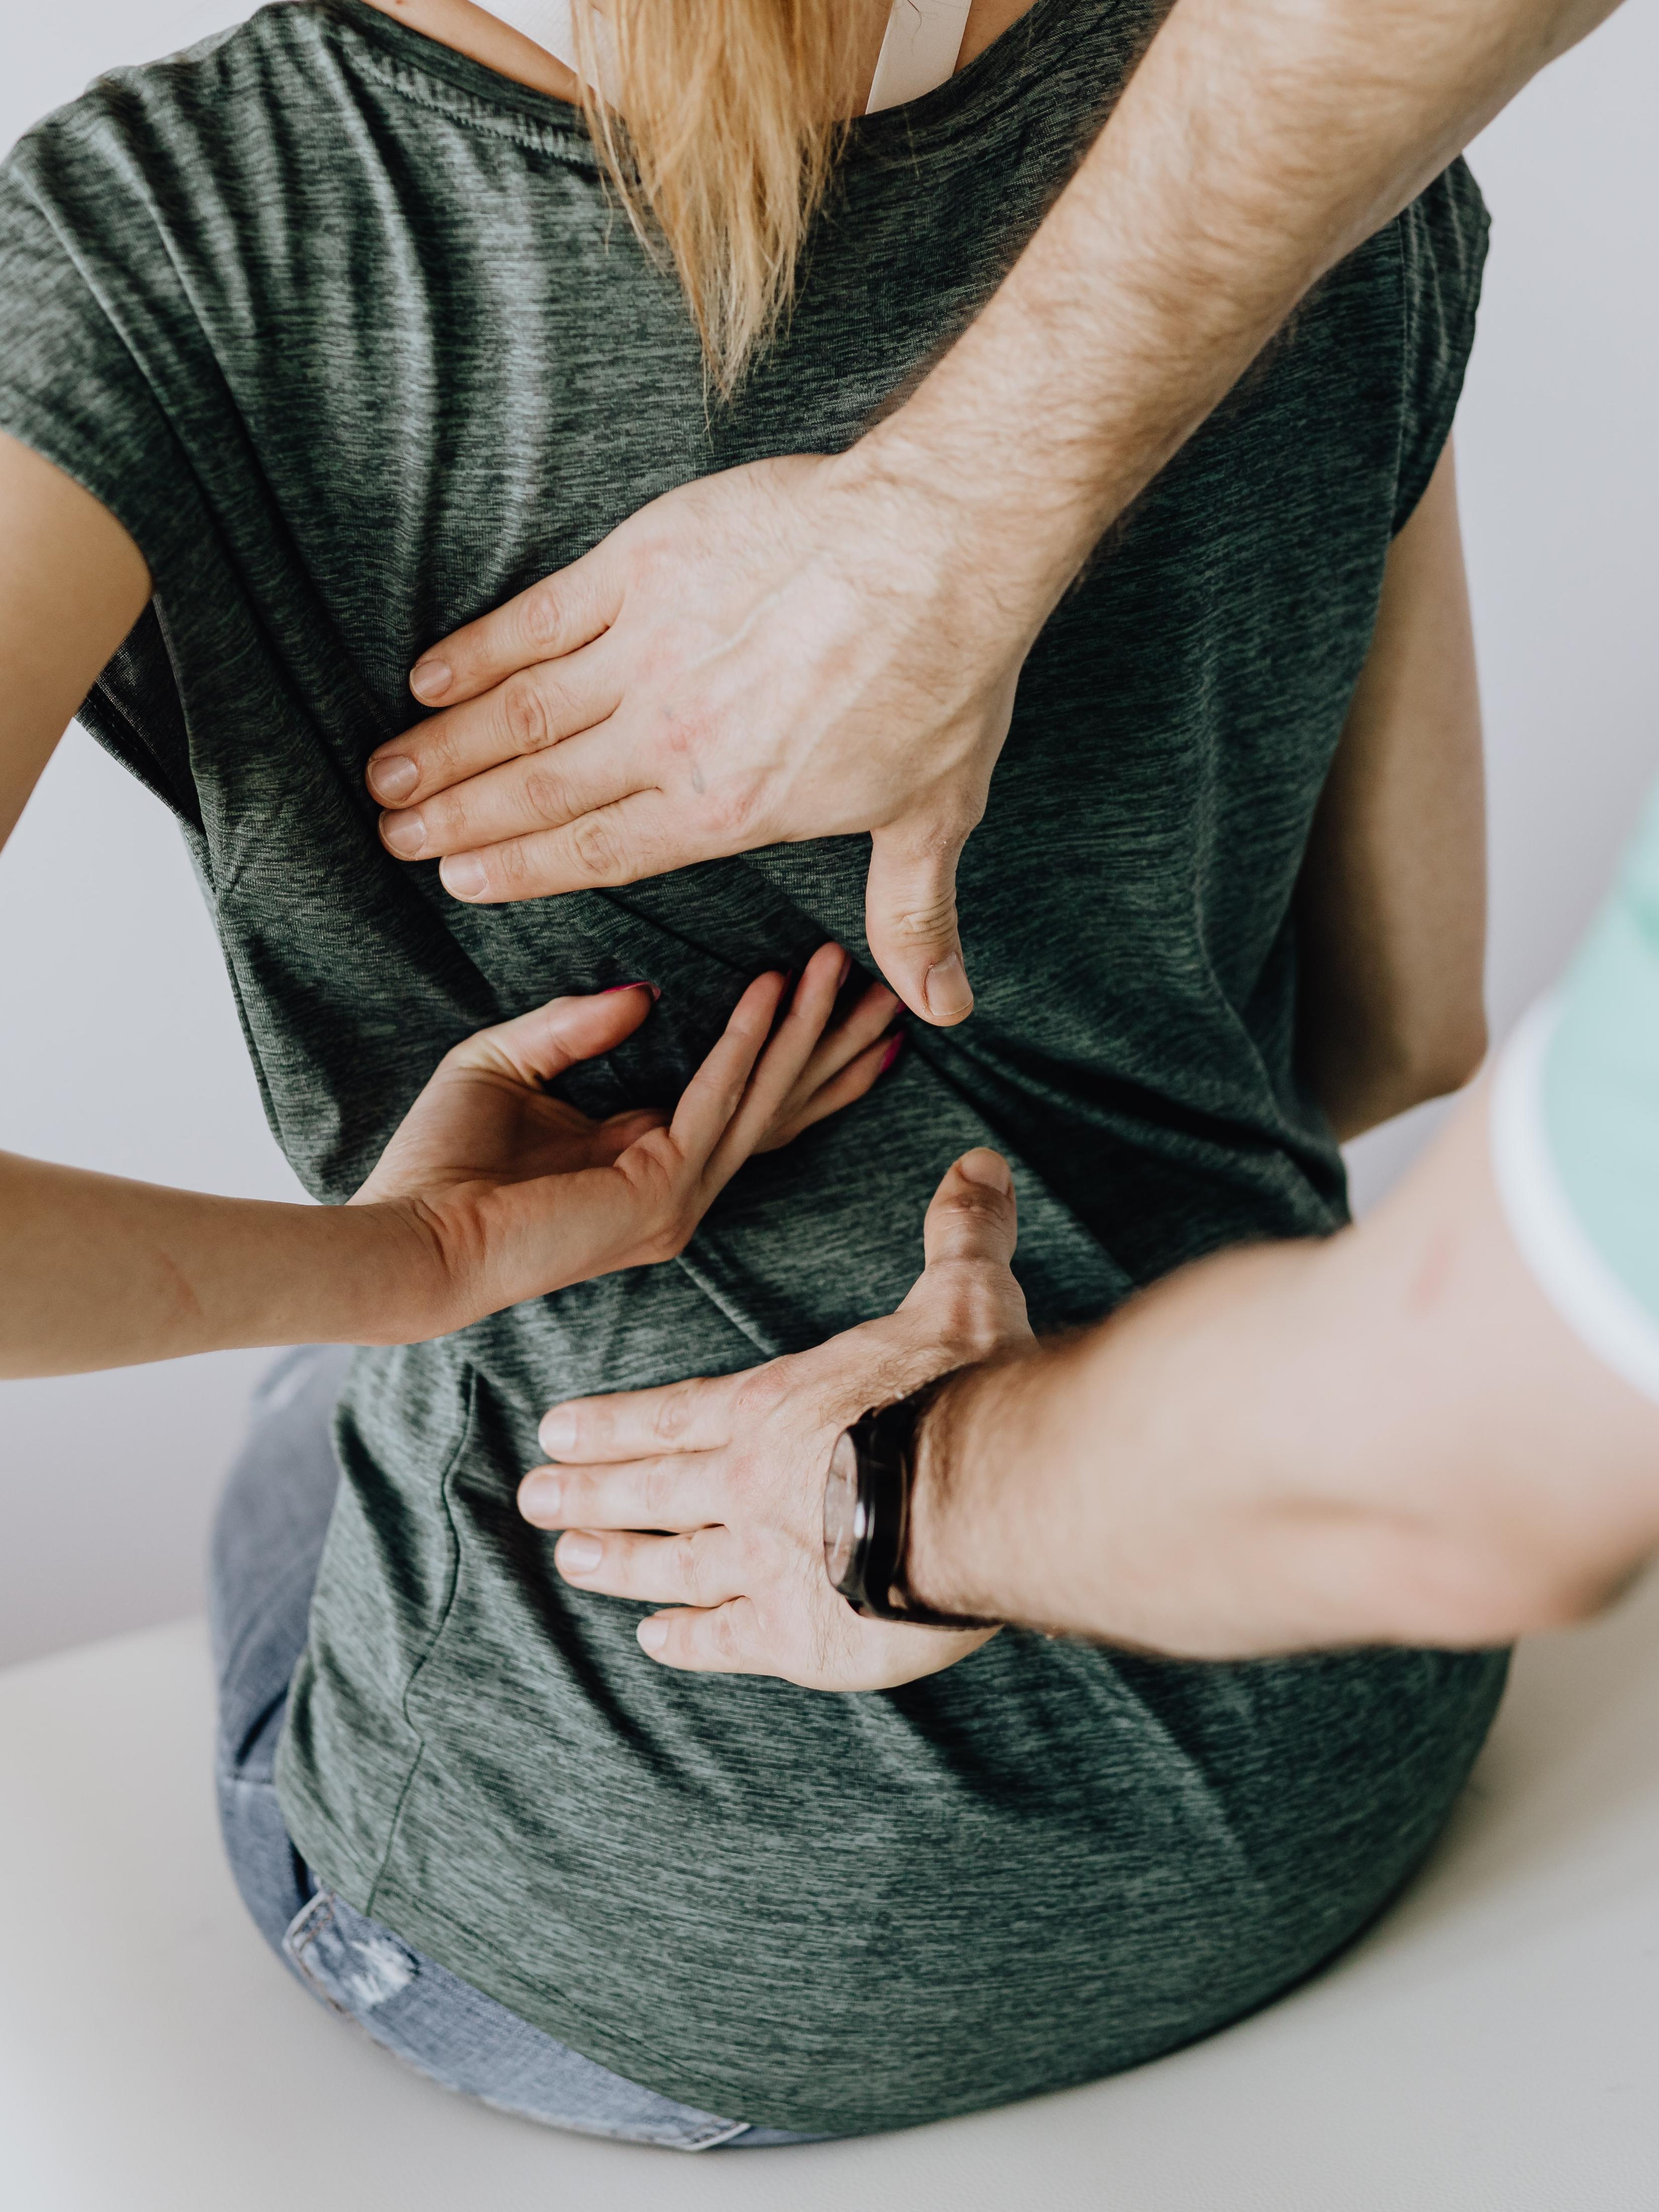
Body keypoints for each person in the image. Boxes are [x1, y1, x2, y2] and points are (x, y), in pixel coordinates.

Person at [1, 0, 1497, 2148]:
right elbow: (1398, 1029)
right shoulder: (1275, 108)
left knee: (291, 1412)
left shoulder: (163, 234)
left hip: (676, 1940)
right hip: (1322, 1717)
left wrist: (417, 1263)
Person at [358, 0, 1628, 1031]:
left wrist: (425, 1265)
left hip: (526, 1354)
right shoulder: (1306, 123)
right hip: (1199, 1303)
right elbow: (1413, 1031)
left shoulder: (215, 215)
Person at [529, 779, 1659, 1670]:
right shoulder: (1316, 470)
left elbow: (1469, 1463)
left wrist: (902, 1497)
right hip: (1359, 1690)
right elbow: (1412, 1036)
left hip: (714, 1814)